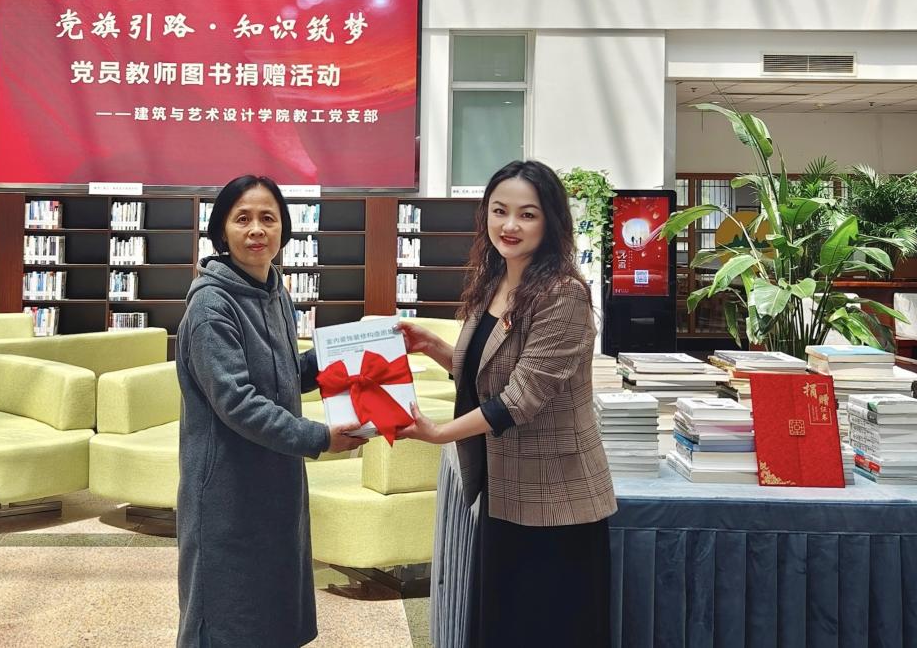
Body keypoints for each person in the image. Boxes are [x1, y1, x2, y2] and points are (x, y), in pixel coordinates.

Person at [397, 159, 617, 647]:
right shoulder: (494, 280)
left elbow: (519, 398)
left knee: (546, 631)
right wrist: (431, 345)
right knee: (503, 626)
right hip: (503, 489)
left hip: (556, 499)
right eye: (499, 211)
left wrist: (438, 432)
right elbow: (487, 374)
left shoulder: (563, 294)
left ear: (551, 221)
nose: (510, 225)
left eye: (527, 214)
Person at [175, 175, 365, 647]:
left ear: (284, 229)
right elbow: (237, 401)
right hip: (228, 488)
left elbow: (284, 376)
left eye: (268, 218)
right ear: (222, 231)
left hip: (277, 480)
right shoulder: (211, 307)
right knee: (228, 614)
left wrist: (351, 352)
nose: (257, 230)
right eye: (242, 219)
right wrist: (320, 437)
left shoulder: (275, 291)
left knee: (274, 608)